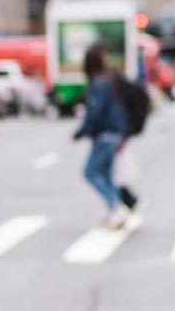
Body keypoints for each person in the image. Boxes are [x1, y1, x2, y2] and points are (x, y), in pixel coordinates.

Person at [72, 45, 130, 229]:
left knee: (90, 172)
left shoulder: (99, 83)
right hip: (113, 133)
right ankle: (114, 211)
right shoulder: (107, 80)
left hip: (105, 135)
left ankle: (116, 207)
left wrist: (79, 133)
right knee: (106, 175)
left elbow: (95, 113)